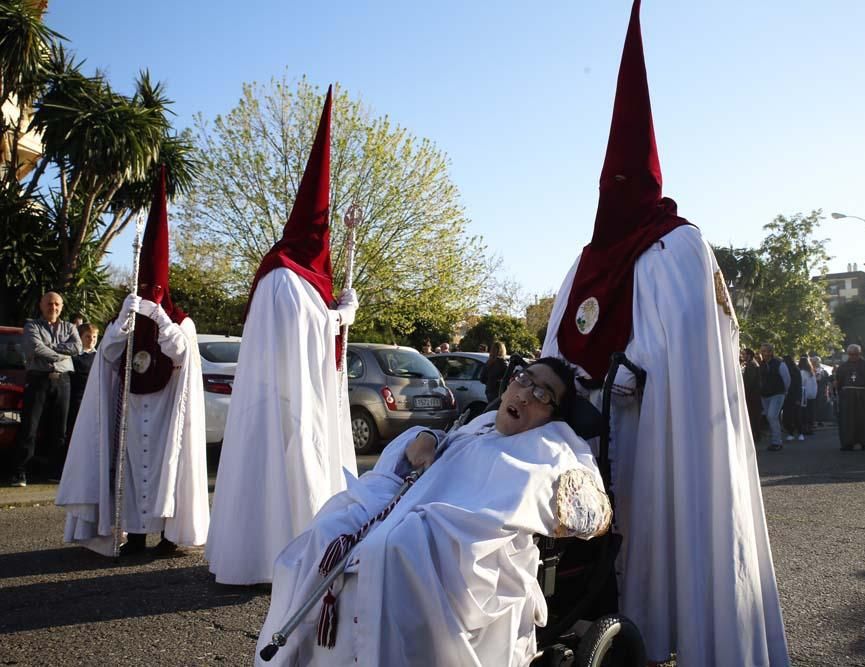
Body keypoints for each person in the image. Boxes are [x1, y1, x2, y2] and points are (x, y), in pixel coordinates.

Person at [540, 3, 789, 663]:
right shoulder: (583, 263)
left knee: (670, 545)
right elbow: (555, 351)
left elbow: (699, 362)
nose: (613, 188)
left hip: (660, 446)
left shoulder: (681, 249)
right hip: (595, 444)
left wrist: (628, 375)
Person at [256, 358, 611, 666]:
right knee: (329, 527)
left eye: (541, 394)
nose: (524, 394)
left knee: (391, 550)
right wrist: (425, 438)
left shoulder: (550, 446)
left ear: (553, 415)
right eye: (523, 379)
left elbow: (589, 513)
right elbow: (440, 444)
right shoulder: (481, 424)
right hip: (405, 507)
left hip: (461, 544)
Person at [207, 89, 359, 585]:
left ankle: (298, 557)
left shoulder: (302, 279)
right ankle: (267, 560)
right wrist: (339, 317)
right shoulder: (282, 275)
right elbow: (300, 334)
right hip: (280, 403)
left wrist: (336, 312)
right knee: (276, 482)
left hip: (298, 398)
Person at [56, 167, 209, 557]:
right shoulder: (126, 316)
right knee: (129, 475)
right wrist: (123, 322)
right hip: (130, 407)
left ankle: (168, 535)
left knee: (162, 474)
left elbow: (183, 355)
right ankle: (134, 534)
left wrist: (159, 318)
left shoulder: (180, 320)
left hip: (164, 413)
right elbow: (107, 355)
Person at [8, 292, 81, 486]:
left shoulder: (70, 327)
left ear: (62, 306)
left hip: (63, 382)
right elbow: (35, 348)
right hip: (38, 380)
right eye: (49, 303)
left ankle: (55, 472)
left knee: (59, 430)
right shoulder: (32, 326)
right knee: (30, 427)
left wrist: (51, 346)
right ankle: (20, 472)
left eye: (57, 304)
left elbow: (77, 347)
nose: (53, 307)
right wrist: (59, 355)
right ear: (41, 305)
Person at [834, 344, 865, 451]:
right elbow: (839, 383)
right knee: (847, 421)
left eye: (855, 354)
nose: (853, 356)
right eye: (850, 354)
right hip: (847, 398)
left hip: (863, 397)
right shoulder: (843, 367)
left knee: (863, 420)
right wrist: (836, 386)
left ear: (860, 354)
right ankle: (848, 442)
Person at [66, 323, 99, 444]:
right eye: (88, 336)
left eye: (94, 337)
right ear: (80, 337)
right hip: (77, 399)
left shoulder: (99, 356)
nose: (91, 340)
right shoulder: (74, 357)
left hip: (94, 399)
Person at [760, 343, 790, 452]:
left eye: (765, 351)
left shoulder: (779, 364)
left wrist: (784, 391)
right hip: (765, 395)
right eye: (762, 351)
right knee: (771, 417)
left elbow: (786, 379)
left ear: (771, 352)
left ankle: (776, 442)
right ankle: (775, 440)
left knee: (772, 416)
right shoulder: (761, 364)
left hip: (777, 394)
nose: (763, 354)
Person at [741, 347, 762, 442]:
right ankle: (756, 434)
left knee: (753, 416)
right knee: (754, 416)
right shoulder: (752, 364)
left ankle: (755, 435)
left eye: (744, 354)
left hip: (752, 395)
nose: (742, 356)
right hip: (754, 394)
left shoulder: (751, 365)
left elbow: (750, 382)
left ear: (749, 355)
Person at [781, 354, 803, 441]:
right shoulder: (794, 370)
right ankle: (792, 432)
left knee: (795, 415)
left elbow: (798, 385)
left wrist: (798, 398)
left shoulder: (795, 371)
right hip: (789, 395)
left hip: (793, 395)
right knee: (789, 415)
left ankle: (798, 432)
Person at [799, 355, 817, 435]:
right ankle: (810, 427)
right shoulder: (811, 373)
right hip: (812, 394)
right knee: (811, 411)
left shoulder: (802, 373)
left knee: (804, 412)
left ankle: (805, 427)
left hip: (804, 394)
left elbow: (801, 383)